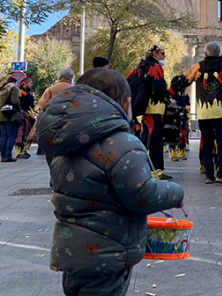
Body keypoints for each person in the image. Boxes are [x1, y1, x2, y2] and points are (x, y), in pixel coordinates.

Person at [36, 68, 184, 296]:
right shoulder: (122, 143)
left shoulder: (65, 144)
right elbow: (142, 195)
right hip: (108, 255)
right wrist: (175, 193)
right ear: (126, 105)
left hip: (70, 253)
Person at [182, 42, 222, 185]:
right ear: (219, 53)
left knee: (207, 143)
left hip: (203, 112)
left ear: (206, 54)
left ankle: (209, 175)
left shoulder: (197, 67)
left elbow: (184, 81)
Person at [127, 45, 172, 180]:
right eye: (162, 53)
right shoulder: (155, 67)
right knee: (155, 138)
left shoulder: (139, 68)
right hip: (155, 108)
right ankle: (156, 171)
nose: (164, 56)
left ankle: (145, 167)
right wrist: (169, 100)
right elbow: (159, 87)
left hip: (144, 108)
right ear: (154, 54)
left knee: (146, 137)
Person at [38, 68, 75, 164]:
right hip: (69, 122)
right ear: (70, 79)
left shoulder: (50, 89)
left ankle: (52, 166)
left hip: (52, 123)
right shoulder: (74, 89)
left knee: (51, 146)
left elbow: (42, 104)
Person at [168, 76, 190, 162]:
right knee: (173, 135)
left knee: (183, 134)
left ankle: (181, 153)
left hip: (183, 115)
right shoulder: (170, 91)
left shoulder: (183, 92)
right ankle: (173, 154)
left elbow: (188, 103)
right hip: (173, 116)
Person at [0, 77, 21, 162]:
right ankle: (8, 155)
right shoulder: (13, 88)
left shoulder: (1, 90)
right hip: (10, 115)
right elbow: (15, 101)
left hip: (1, 115)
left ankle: (3, 155)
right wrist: (19, 109)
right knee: (11, 135)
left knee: (3, 136)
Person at [16, 77, 36, 159]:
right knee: (21, 134)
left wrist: (33, 112)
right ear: (25, 83)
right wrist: (28, 113)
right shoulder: (20, 92)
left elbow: (31, 104)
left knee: (28, 134)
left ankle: (24, 149)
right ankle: (19, 151)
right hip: (23, 116)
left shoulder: (29, 93)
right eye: (30, 83)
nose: (31, 84)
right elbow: (22, 105)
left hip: (30, 116)